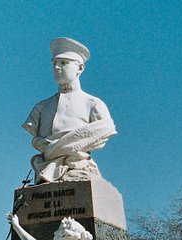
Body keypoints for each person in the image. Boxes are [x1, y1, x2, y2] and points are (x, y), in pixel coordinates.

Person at [23, 37, 116, 183]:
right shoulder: (41, 107)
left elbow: (105, 129)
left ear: (80, 68)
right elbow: (37, 140)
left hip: (79, 166)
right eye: (54, 63)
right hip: (45, 167)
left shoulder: (93, 104)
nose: (57, 67)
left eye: (64, 63)